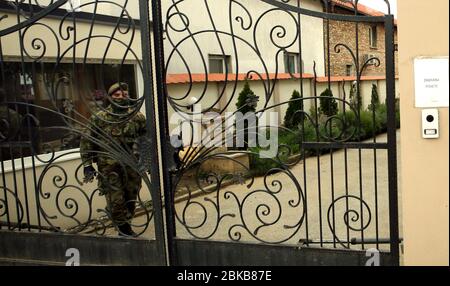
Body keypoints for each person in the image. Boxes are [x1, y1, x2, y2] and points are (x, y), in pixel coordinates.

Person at [79, 82, 146, 236]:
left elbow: (145, 138)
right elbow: (87, 140)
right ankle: (123, 229)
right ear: (110, 97)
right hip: (110, 167)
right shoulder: (101, 117)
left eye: (124, 95)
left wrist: (146, 159)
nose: (121, 98)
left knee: (131, 196)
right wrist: (87, 164)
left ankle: (125, 222)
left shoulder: (137, 116)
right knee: (116, 199)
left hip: (132, 165)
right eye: (117, 95)